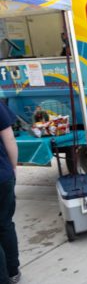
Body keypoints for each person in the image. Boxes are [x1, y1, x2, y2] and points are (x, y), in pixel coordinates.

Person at [0, 100, 21, 284]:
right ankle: (12, 271)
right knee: (5, 223)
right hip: (3, 176)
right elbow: (9, 139)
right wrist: (12, 167)